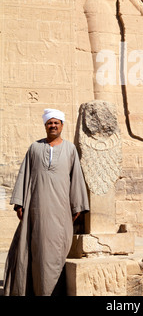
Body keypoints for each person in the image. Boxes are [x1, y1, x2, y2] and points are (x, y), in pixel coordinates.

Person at [3, 108, 89, 296]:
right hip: (36, 210)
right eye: (50, 123)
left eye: (56, 123)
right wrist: (20, 204)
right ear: (45, 126)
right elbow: (24, 175)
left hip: (61, 211)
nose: (53, 126)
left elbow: (76, 179)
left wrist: (77, 206)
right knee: (36, 251)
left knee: (56, 252)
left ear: (62, 126)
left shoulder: (70, 149)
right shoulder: (35, 148)